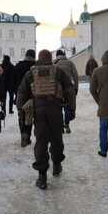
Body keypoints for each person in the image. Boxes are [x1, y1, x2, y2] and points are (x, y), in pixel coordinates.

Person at [17, 49, 76, 190]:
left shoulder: (31, 73)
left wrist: (21, 110)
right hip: (55, 109)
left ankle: (42, 176)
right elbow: (69, 89)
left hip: (39, 112)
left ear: (39, 58)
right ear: (50, 59)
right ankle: (56, 165)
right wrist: (71, 108)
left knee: (41, 141)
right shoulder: (57, 71)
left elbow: (22, 92)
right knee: (56, 138)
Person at [13, 49, 36, 147]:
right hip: (32, 96)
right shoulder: (35, 67)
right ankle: (27, 136)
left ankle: (23, 135)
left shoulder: (18, 66)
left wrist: (15, 93)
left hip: (20, 95)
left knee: (21, 117)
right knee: (29, 116)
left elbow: (13, 82)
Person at [54, 49, 78, 134]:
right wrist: (75, 88)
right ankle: (67, 124)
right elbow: (75, 76)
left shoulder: (54, 63)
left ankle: (60, 127)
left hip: (57, 89)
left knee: (58, 108)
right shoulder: (70, 63)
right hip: (68, 88)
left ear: (57, 55)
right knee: (68, 107)